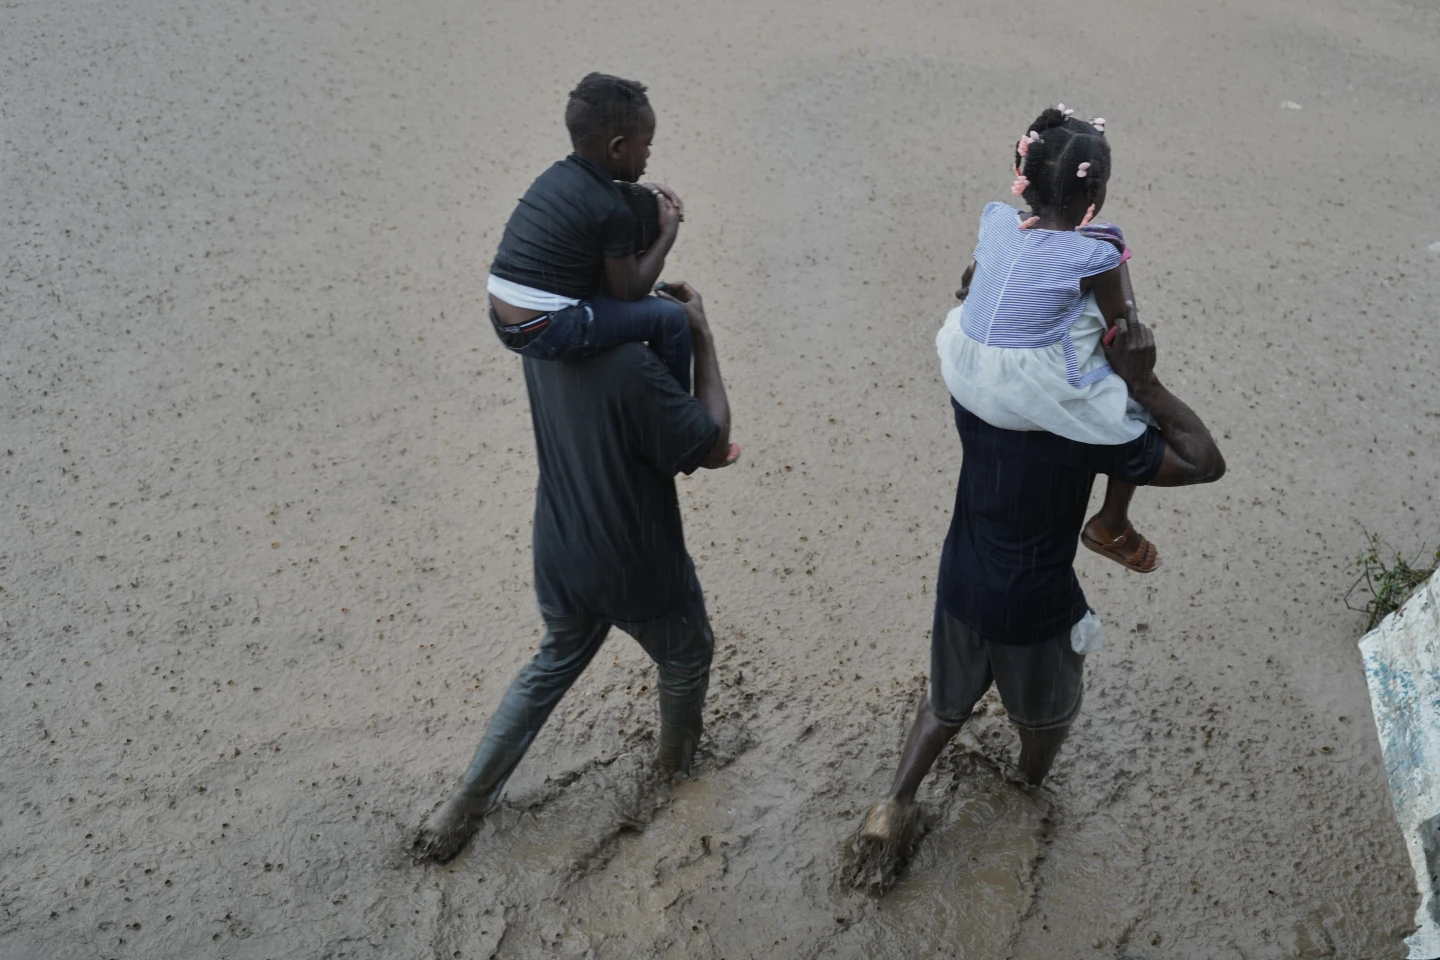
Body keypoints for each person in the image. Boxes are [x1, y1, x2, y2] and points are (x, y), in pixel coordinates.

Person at [857, 296, 1225, 846]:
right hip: (1035, 605)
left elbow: (974, 295)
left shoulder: (973, 394)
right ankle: (1022, 796)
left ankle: (893, 807)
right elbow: (1203, 461)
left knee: (943, 704)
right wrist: (1143, 382)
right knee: (1045, 721)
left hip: (960, 581)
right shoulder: (1086, 430)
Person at [413, 281, 735, 864]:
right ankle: (674, 772)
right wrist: (701, 334)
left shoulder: (539, 343)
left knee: (550, 666)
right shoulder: (634, 367)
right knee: (687, 656)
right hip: (638, 563)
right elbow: (710, 446)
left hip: (560, 550)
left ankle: (464, 803)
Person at [938, 105, 1160, 573]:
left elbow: (969, 280)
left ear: (1024, 174)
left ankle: (1111, 522)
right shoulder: (1098, 256)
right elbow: (1123, 331)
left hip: (964, 364)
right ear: (1094, 190)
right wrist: (1116, 256)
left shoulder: (997, 218)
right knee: (1134, 402)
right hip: (1022, 393)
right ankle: (1112, 522)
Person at [487, 72, 696, 392]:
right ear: (617, 148)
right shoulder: (611, 208)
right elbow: (629, 291)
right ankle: (675, 410)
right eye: (646, 144)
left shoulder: (557, 176)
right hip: (545, 328)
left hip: (503, 314)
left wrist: (640, 190)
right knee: (671, 318)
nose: (648, 155)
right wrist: (668, 233)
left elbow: (595, 203)